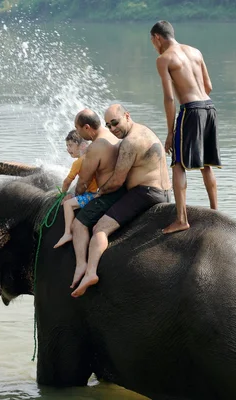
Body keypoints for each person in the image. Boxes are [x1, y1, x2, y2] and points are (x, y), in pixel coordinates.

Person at [70, 104, 171, 297]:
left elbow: (117, 181)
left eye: (115, 123)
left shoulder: (129, 143)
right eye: (108, 125)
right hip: (164, 191)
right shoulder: (144, 130)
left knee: (100, 228)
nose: (112, 129)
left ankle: (90, 272)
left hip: (145, 193)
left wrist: (100, 192)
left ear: (126, 116)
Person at [150, 20, 222, 234]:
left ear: (157, 38)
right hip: (209, 107)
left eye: (153, 42)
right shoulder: (195, 52)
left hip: (190, 110)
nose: (154, 46)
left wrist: (171, 132)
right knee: (206, 164)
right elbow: (208, 86)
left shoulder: (163, 59)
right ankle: (215, 212)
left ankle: (181, 219)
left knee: (178, 164)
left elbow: (169, 99)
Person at [69, 108, 125, 291]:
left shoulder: (96, 146)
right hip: (124, 190)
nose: (78, 134)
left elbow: (83, 182)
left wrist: (73, 196)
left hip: (110, 194)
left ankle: (80, 266)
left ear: (87, 127)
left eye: (78, 130)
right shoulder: (114, 136)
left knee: (78, 224)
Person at [53, 129, 98, 249]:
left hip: (92, 195)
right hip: (98, 192)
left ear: (82, 145)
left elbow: (67, 181)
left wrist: (63, 194)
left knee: (68, 204)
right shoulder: (94, 156)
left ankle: (67, 233)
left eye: (71, 145)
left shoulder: (78, 162)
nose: (68, 149)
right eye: (67, 146)